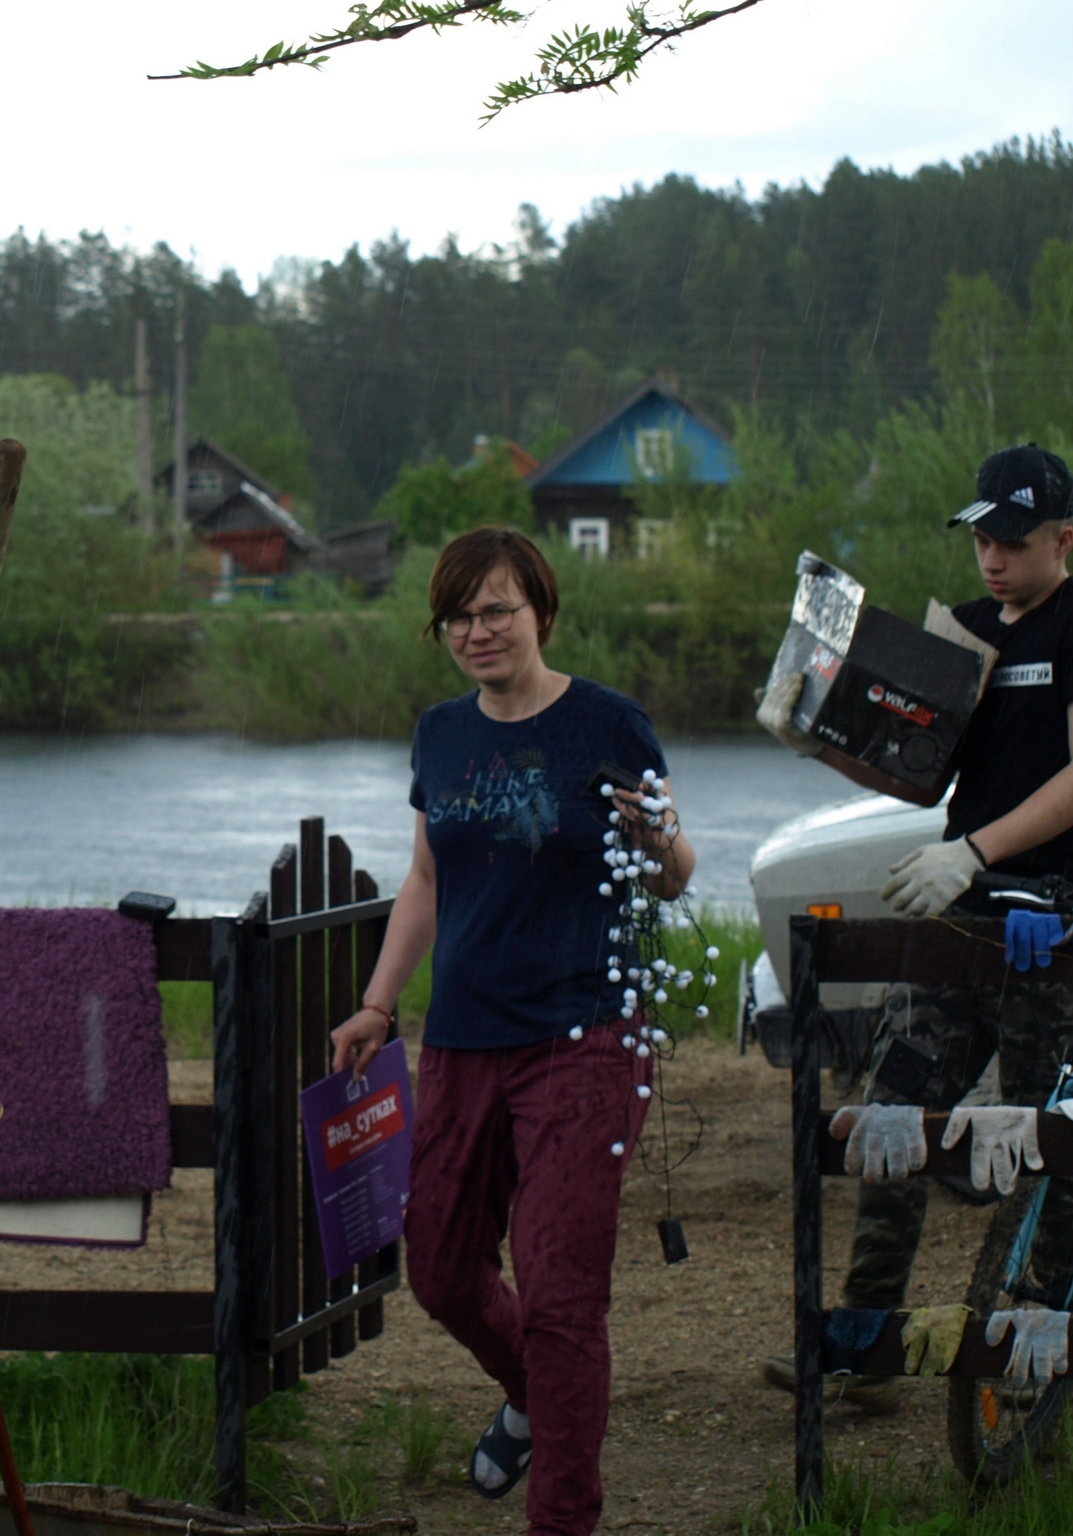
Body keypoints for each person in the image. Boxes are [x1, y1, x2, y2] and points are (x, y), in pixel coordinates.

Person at [330, 526, 695, 1536]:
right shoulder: (439, 734)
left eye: (495, 609)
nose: (475, 630)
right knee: (439, 1267)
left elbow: (675, 870)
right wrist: (375, 1002)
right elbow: (425, 877)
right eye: (456, 614)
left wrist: (651, 840)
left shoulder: (608, 725)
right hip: (460, 1037)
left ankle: (560, 1516)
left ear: (539, 608)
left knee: (559, 1292)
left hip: (585, 1036)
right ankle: (533, 1397)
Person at [761, 443, 1073, 1412]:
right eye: (979, 536)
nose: (989, 557)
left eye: (1011, 541)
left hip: (1051, 925)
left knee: (1043, 1147)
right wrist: (816, 737)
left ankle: (1034, 1344)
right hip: (958, 923)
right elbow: (918, 771)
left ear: (1063, 539)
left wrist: (973, 852)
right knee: (889, 1115)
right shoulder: (967, 633)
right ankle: (860, 1339)